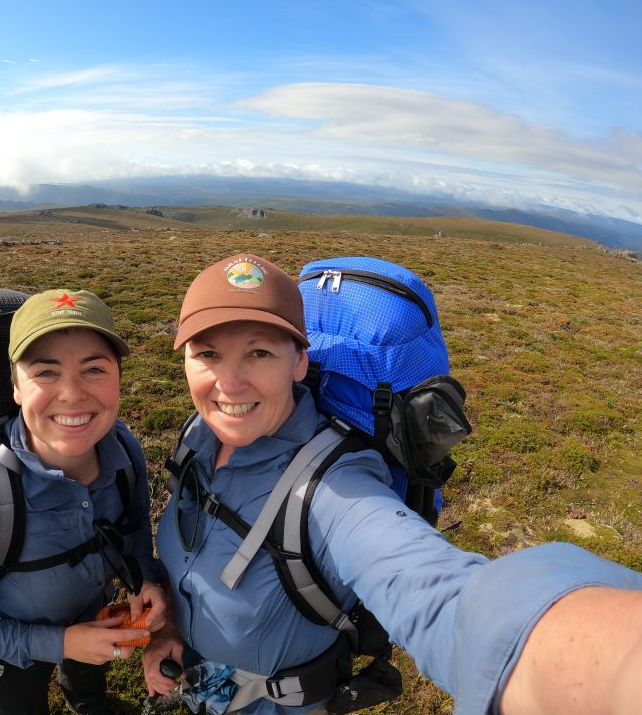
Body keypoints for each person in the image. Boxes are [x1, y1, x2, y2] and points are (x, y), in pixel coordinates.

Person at [141, 253, 642, 715]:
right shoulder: (197, 436)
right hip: (198, 678)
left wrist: (593, 661)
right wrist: (169, 627)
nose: (229, 383)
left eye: (259, 353)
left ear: (300, 361)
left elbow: (441, 596)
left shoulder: (336, 488)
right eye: (208, 353)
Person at [0, 289, 166, 715]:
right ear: (16, 386)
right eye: (46, 372)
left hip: (95, 615)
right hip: (6, 648)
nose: (71, 393)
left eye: (94, 369)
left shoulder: (124, 448)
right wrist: (62, 642)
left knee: (89, 686)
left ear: (118, 379)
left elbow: (136, 526)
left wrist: (145, 579)